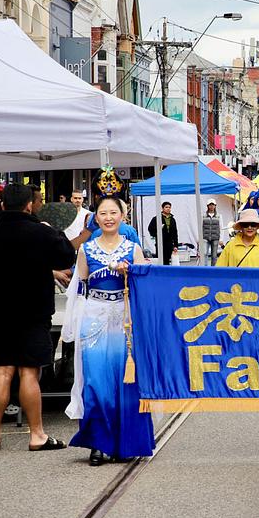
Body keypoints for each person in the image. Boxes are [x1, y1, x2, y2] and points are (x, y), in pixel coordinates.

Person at [0, 183, 76, 453]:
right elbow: (66, 256)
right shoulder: (42, 232)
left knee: (2, 370)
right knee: (29, 371)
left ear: (2, 204)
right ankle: (37, 434)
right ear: (29, 205)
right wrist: (52, 230)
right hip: (33, 311)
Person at [66, 197, 155, 466]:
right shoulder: (86, 250)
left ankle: (125, 443)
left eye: (113, 212)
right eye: (102, 213)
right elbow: (80, 287)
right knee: (95, 380)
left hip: (124, 320)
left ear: (122, 216)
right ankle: (98, 443)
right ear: (96, 218)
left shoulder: (133, 248)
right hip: (94, 317)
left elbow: (145, 286)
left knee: (125, 380)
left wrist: (132, 272)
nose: (108, 218)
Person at [201, 199, 223, 266]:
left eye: (213, 205)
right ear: (207, 206)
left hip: (215, 238)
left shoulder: (219, 216)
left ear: (215, 206)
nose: (211, 206)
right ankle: (205, 269)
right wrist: (199, 238)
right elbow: (200, 227)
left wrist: (221, 239)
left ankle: (213, 269)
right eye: (210, 205)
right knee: (204, 253)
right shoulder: (203, 215)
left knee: (214, 255)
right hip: (205, 237)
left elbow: (221, 227)